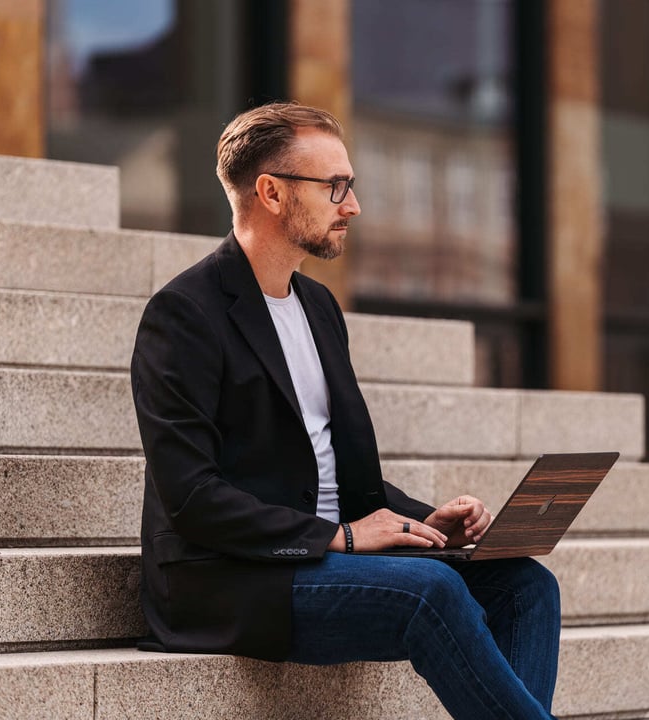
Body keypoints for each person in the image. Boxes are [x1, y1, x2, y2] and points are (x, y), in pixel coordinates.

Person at [130, 101, 561, 719]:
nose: (352, 206)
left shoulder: (320, 308)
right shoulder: (184, 315)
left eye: (350, 186)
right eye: (335, 187)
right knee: (432, 591)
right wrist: (343, 536)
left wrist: (424, 521)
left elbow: (331, 473)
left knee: (526, 586)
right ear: (271, 193)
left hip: (330, 556)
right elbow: (192, 497)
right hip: (234, 579)